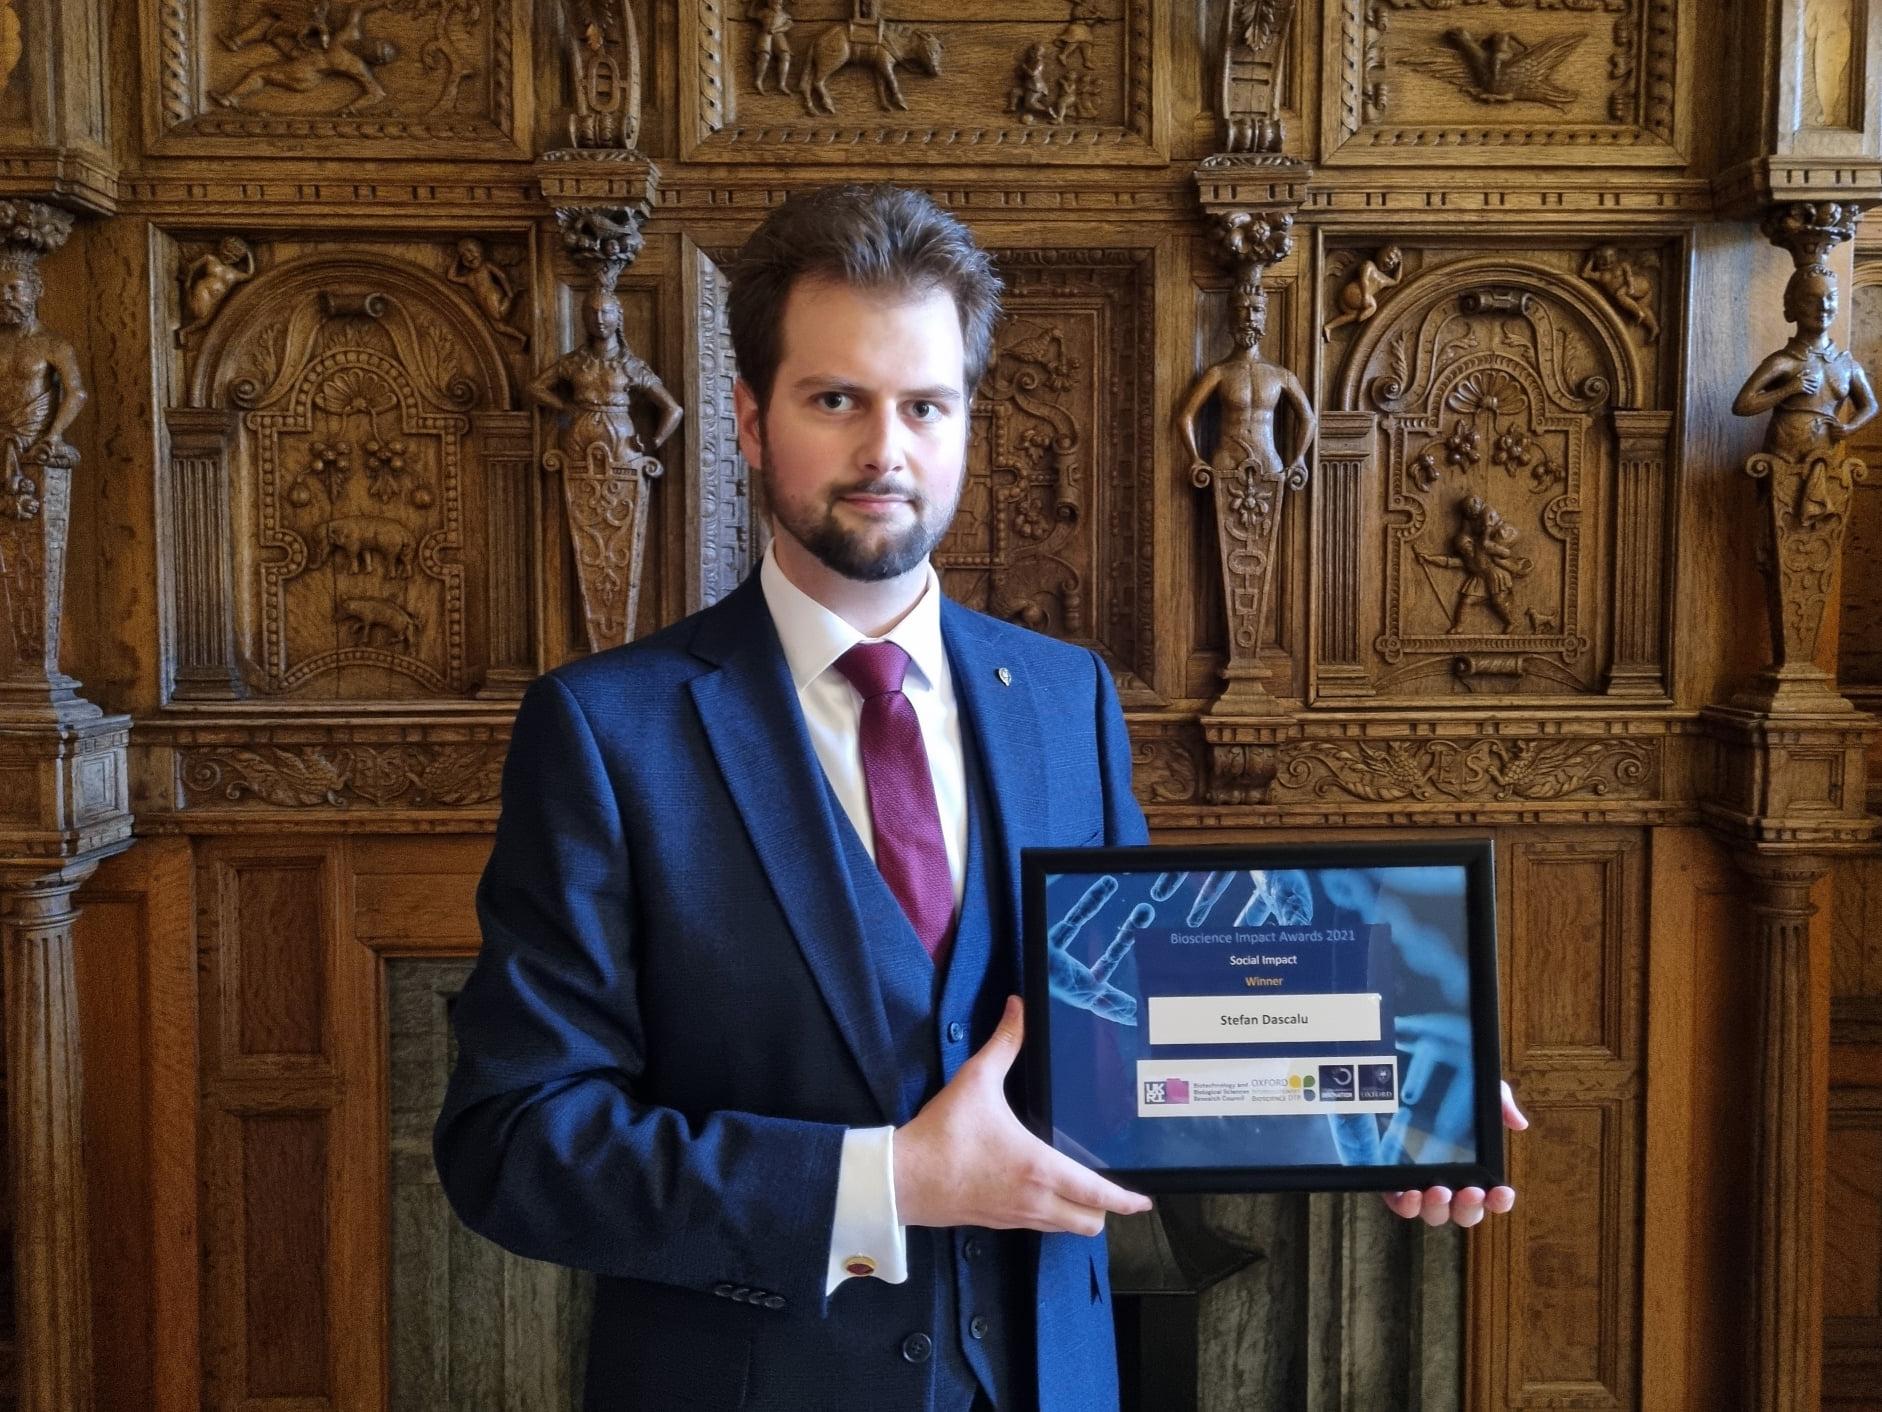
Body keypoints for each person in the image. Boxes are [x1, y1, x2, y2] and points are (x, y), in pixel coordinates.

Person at [434, 182, 1520, 1412]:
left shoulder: (1066, 699)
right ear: (747, 418)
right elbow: (514, 1143)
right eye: (834, 398)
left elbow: (1146, 1020)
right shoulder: (607, 729)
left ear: (964, 421)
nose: (884, 447)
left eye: (923, 404)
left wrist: (1385, 1089)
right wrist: (885, 1179)